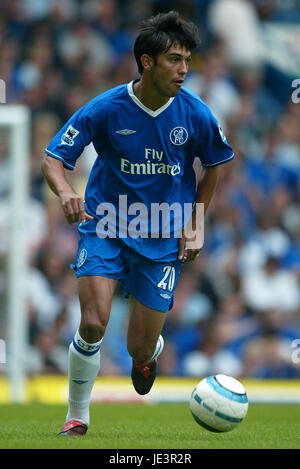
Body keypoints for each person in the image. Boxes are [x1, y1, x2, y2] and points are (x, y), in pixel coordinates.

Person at [42, 11, 234, 436]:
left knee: (138, 348)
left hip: (163, 237)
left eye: (187, 60)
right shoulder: (108, 107)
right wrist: (67, 193)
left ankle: (149, 352)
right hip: (106, 225)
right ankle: (77, 415)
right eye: (174, 60)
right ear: (147, 62)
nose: (184, 69)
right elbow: (55, 157)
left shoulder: (196, 114)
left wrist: (196, 223)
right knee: (93, 322)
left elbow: (216, 165)